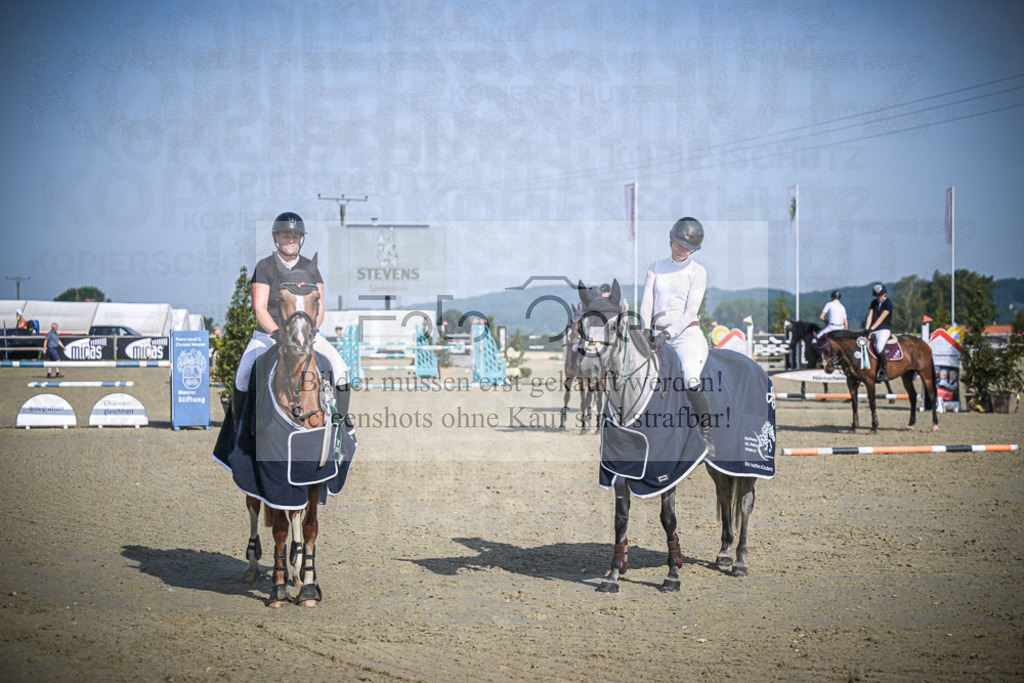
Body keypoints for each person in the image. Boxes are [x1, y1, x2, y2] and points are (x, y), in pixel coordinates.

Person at [232, 211, 349, 421]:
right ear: (276, 237)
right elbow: (260, 308)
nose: (291, 240)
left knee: (341, 370)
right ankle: (239, 431)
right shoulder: (265, 266)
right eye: (286, 235)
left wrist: (310, 333)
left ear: (301, 239)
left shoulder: (310, 268)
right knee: (243, 375)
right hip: (269, 336)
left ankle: (341, 426)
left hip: (306, 336)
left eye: (295, 236)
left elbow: (320, 306)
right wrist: (278, 333)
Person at [640, 217, 715, 458]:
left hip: (686, 335)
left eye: (687, 247)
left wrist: (668, 334)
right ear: (670, 240)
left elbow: (691, 311)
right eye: (678, 244)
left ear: (694, 249)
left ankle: (706, 435)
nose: (681, 249)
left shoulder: (697, 271)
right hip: (657, 333)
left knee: (689, 378)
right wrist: (645, 330)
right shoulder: (655, 267)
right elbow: (647, 303)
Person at [865, 283, 893, 380]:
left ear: (884, 294)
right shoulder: (874, 303)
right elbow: (870, 316)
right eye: (876, 295)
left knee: (879, 347)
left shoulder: (889, 303)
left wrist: (872, 328)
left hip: (883, 329)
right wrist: (866, 329)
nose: (878, 297)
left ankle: (884, 370)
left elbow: (881, 318)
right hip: (873, 329)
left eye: (879, 295)